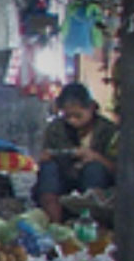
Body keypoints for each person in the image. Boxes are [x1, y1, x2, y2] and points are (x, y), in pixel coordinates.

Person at [38, 82, 118, 223]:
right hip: (64, 178)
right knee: (48, 169)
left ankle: (91, 223)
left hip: (95, 184)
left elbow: (118, 169)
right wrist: (47, 157)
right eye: (68, 116)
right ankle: (54, 223)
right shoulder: (56, 129)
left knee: (94, 169)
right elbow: (46, 154)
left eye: (78, 116)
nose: (72, 121)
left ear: (92, 108)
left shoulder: (109, 131)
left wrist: (96, 157)